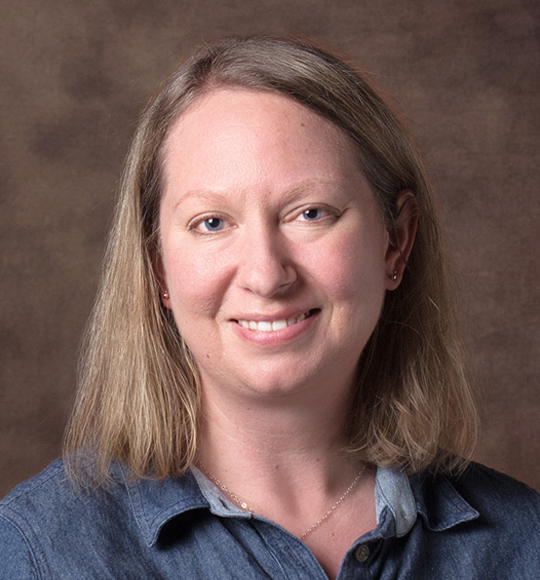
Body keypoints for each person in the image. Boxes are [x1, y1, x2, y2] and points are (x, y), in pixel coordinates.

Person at [1, 36, 539, 580]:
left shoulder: (525, 544)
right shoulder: (39, 553)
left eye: (310, 213)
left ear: (395, 242)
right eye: (212, 222)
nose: (266, 275)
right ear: (158, 266)